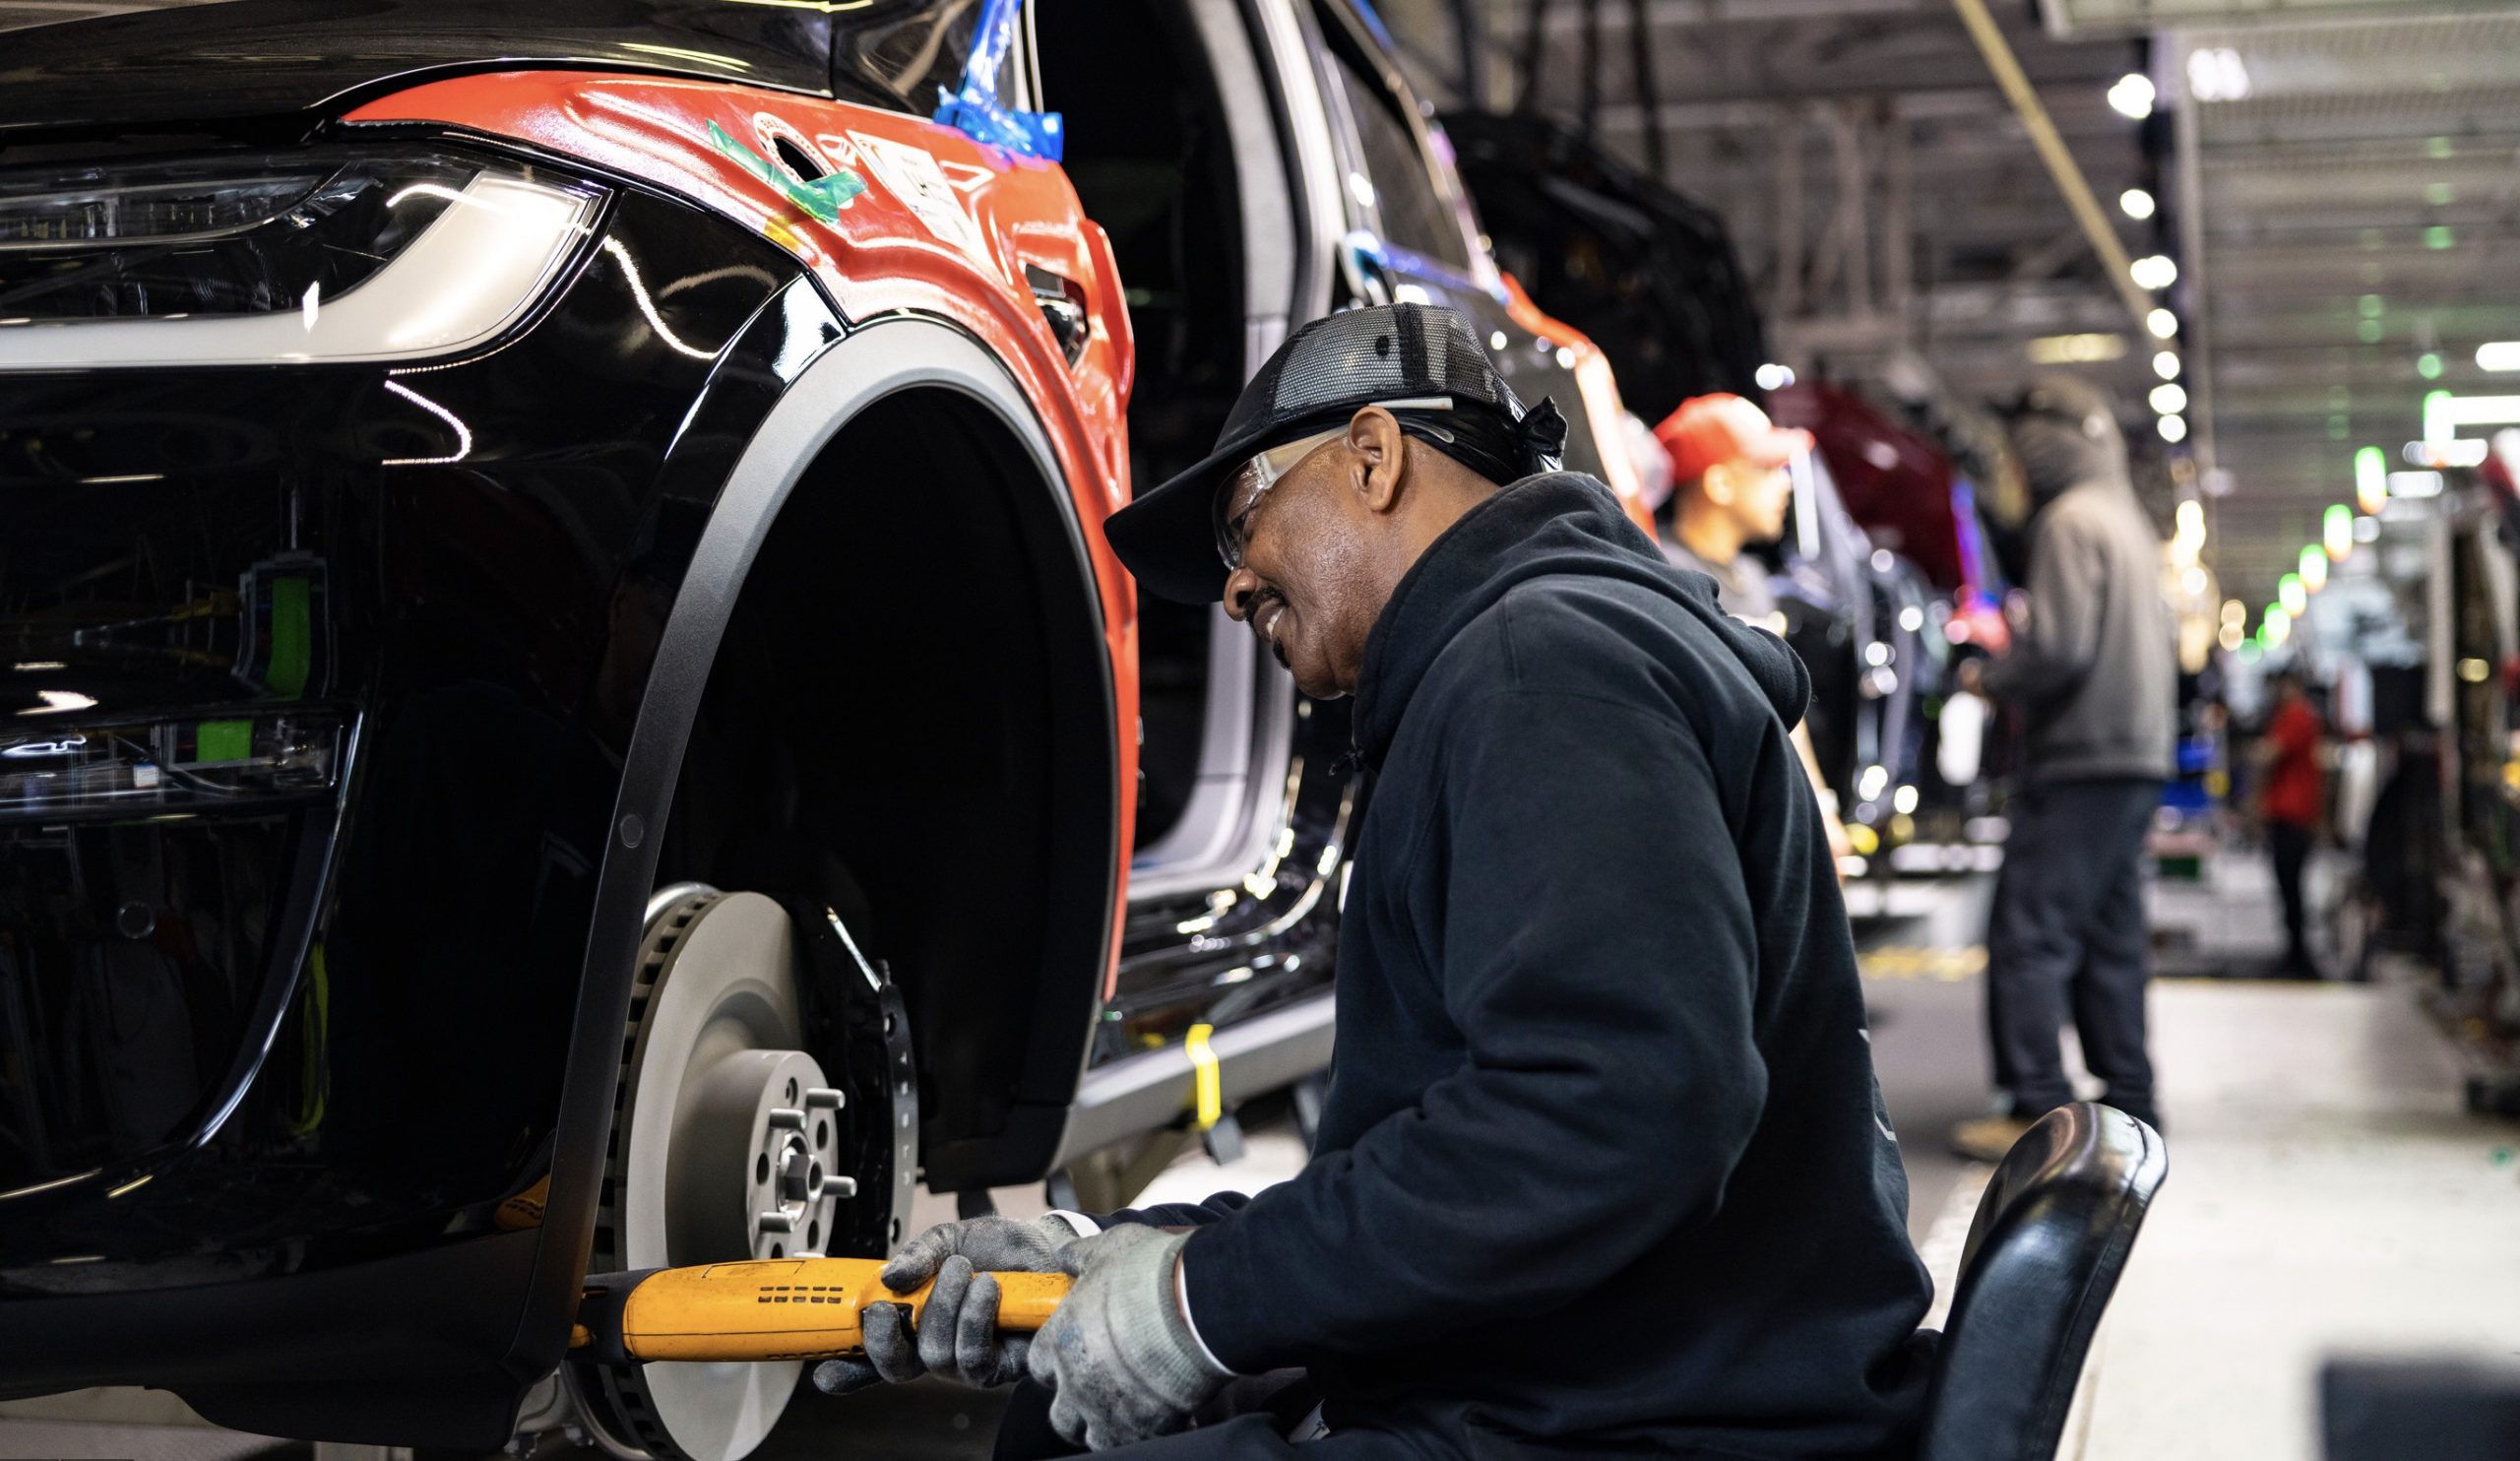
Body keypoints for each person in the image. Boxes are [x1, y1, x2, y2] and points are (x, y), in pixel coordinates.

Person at [816, 304, 1933, 1458]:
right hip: (1595, 1368)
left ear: (1372, 455)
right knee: (1054, 1424)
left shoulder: (1540, 671)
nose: (1235, 587)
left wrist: (1198, 1304)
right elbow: (1454, 1150)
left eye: (1242, 521)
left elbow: (1611, 1108)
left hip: (1650, 1419)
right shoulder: (1525, 660)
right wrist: (1109, 1256)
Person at [1949, 375, 2174, 1164]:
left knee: (2028, 936)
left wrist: (1987, 677)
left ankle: (2035, 1113)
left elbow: (2059, 648)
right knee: (2111, 939)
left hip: (2080, 759)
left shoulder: (2070, 522)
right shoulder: (2126, 522)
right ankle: (2133, 1102)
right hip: (2133, 758)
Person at [1653, 391, 1855, 869]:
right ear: (1719, 482)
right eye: (1766, 470)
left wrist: (1821, 809)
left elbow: (1785, 707)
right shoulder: (1662, 573)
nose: (1784, 486)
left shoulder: (1752, 580)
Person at [2259, 667, 2327, 978]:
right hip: (2289, 815)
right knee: (2288, 889)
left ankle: (2300, 958)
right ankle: (2295, 953)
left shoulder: (2297, 715)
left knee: (2292, 889)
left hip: (2293, 816)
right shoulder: (2294, 714)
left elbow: (2270, 753)